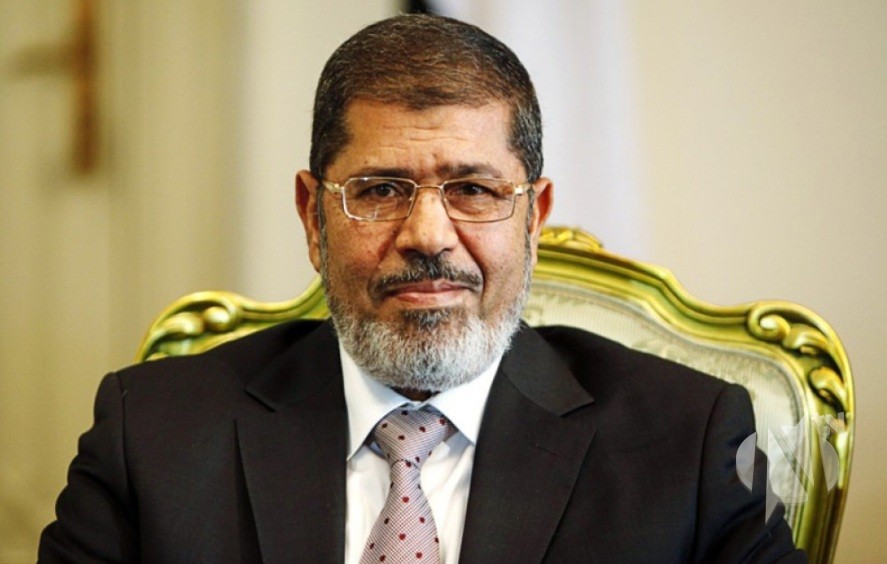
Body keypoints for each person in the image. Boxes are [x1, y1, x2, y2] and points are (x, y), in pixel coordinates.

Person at [39, 13, 805, 563]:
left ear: (533, 219)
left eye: (472, 189)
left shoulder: (687, 442)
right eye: (379, 190)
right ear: (312, 216)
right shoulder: (154, 434)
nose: (428, 236)